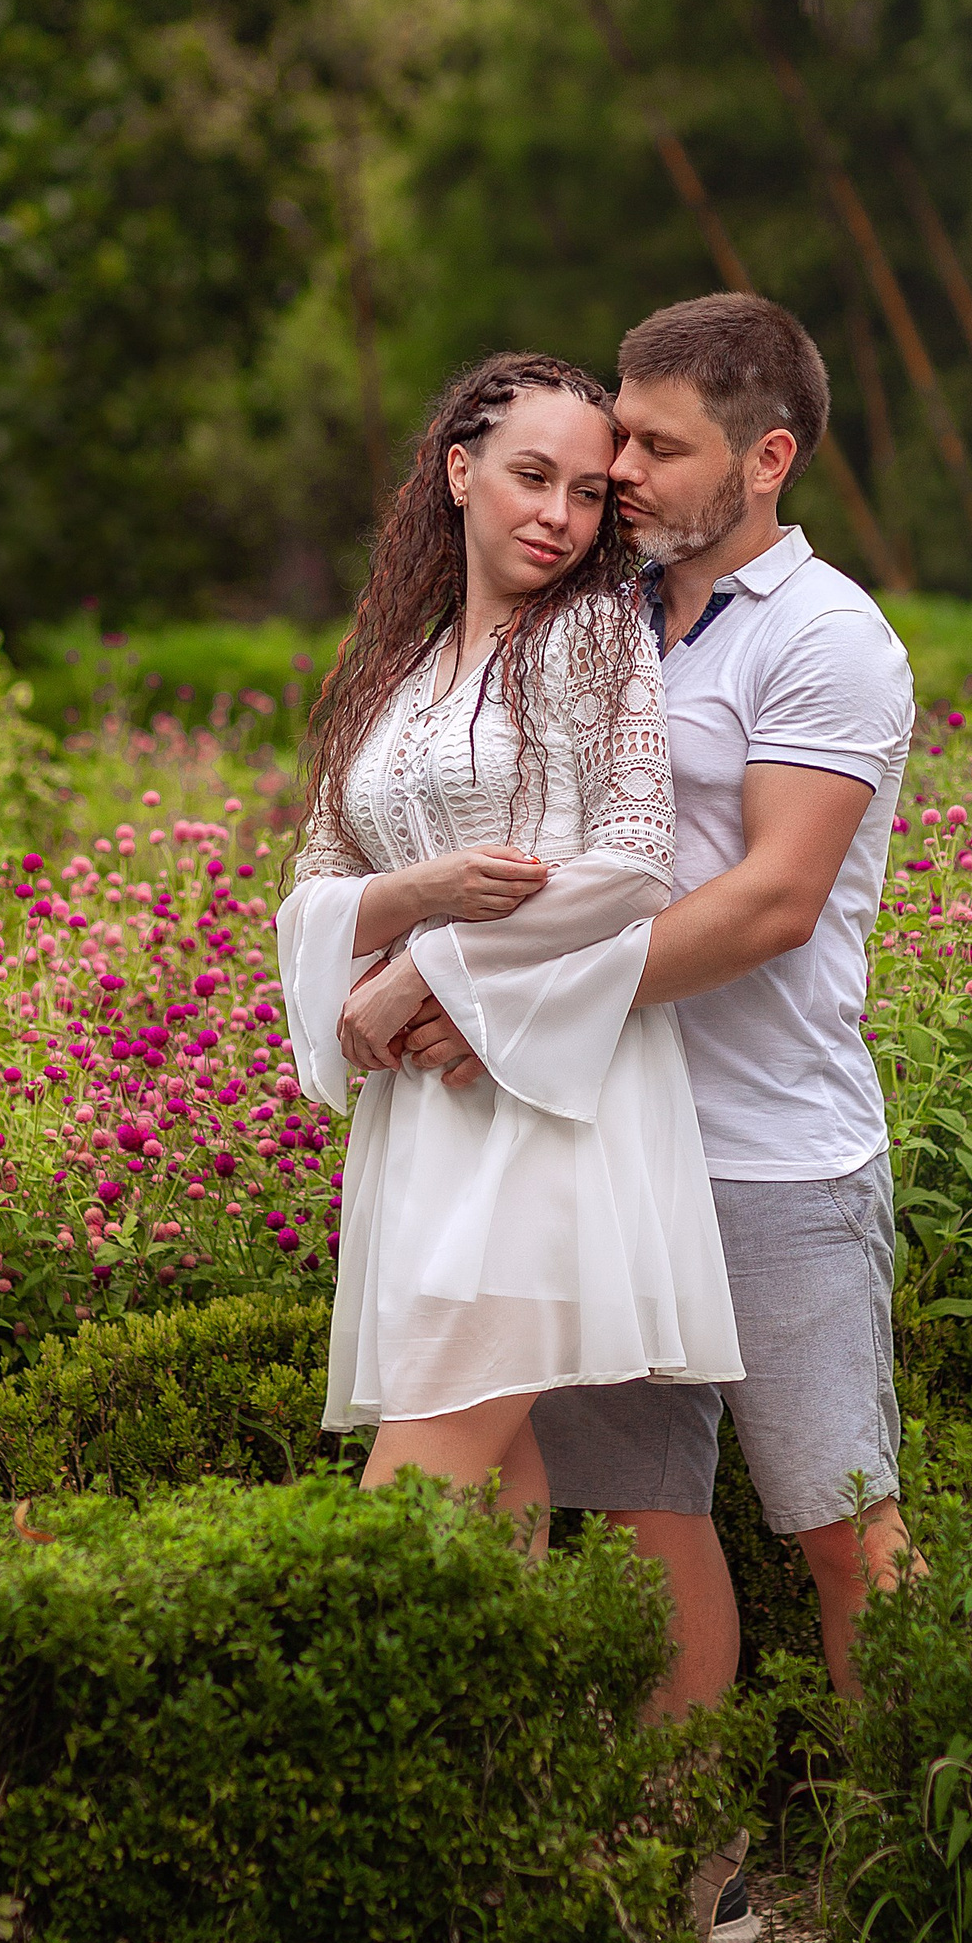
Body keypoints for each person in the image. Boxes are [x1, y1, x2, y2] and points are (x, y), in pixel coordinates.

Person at [397, 294, 913, 1943]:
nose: (619, 465)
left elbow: (772, 899)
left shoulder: (826, 636)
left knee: (841, 1534)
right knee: (640, 1527)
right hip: (610, 1148)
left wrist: (529, 1005)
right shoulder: (605, 612)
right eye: (619, 427)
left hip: (775, 1158)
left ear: (766, 459)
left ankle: (936, 1854)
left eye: (659, 441)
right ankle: (690, 1866)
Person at [276, 351, 740, 1533]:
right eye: (532, 476)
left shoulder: (591, 639)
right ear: (456, 468)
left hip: (545, 1105)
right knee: (494, 1485)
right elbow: (315, 889)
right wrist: (419, 892)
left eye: (588, 493)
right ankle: (512, 1721)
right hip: (426, 1117)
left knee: (414, 1491)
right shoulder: (388, 672)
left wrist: (427, 964)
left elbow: (635, 865)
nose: (559, 515)